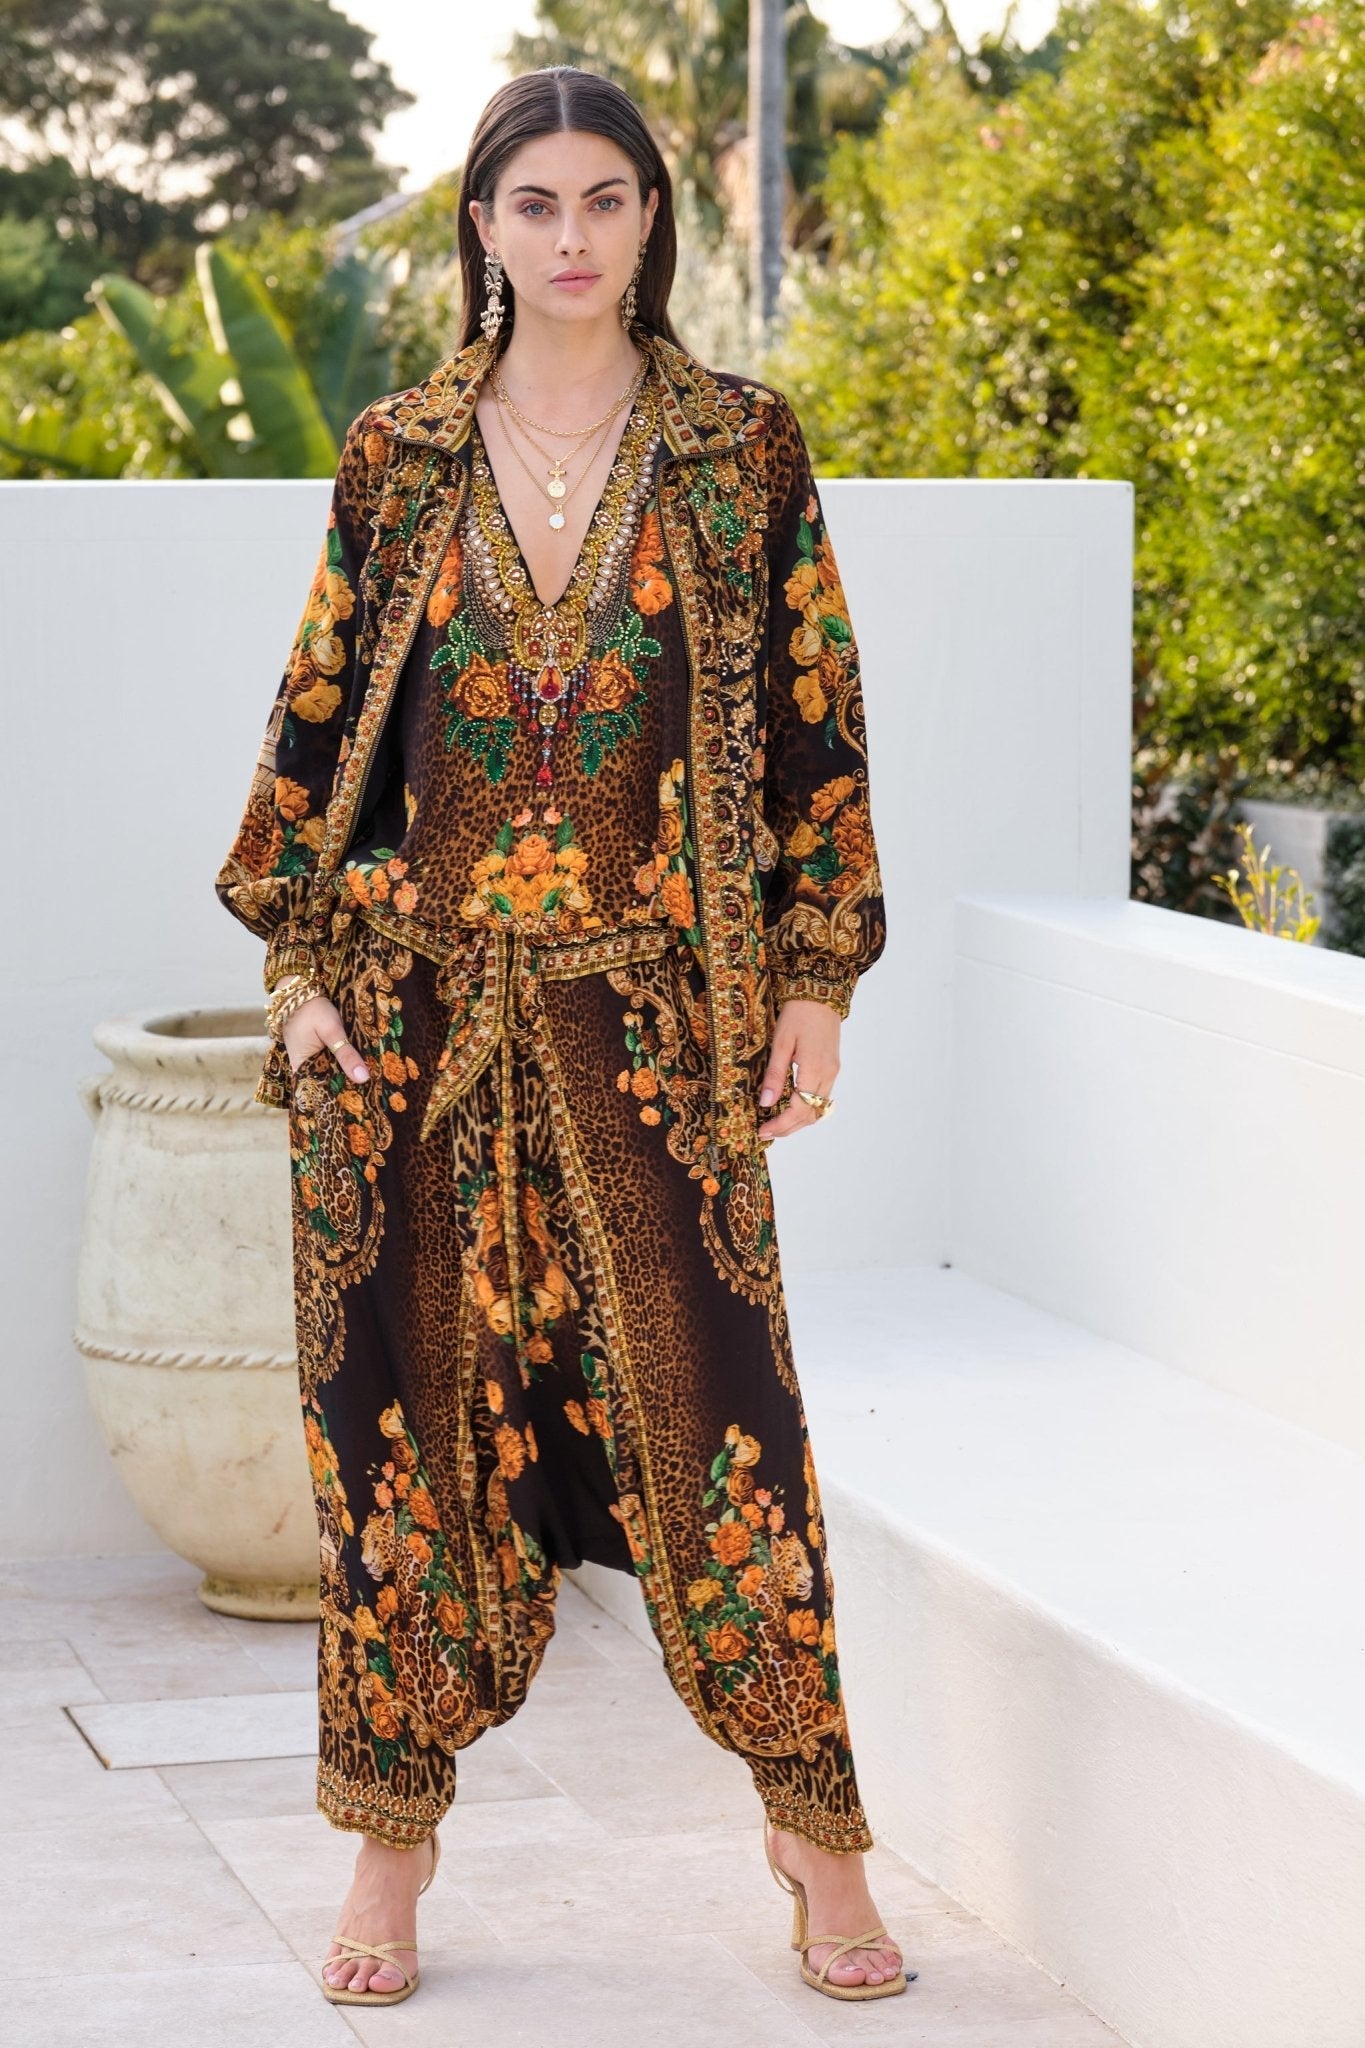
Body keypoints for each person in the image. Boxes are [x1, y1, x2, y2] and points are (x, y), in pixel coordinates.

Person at [214, 63, 899, 2011]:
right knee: (399, 1450)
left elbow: (817, 725)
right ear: (483, 226)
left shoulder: (736, 449)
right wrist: (301, 976)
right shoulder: (401, 453)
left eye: (608, 199)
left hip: (655, 1027)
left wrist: (814, 978)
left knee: (729, 1433)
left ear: (652, 220)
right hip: (411, 1031)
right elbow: (317, 724)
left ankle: (813, 1831)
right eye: (536, 203)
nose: (574, 236)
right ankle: (391, 1847)